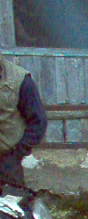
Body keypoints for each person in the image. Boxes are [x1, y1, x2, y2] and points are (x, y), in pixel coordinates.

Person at [0, 54, 47, 186]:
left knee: (9, 197)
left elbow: (38, 121)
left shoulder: (20, 80)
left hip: (7, 160)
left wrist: (18, 152)